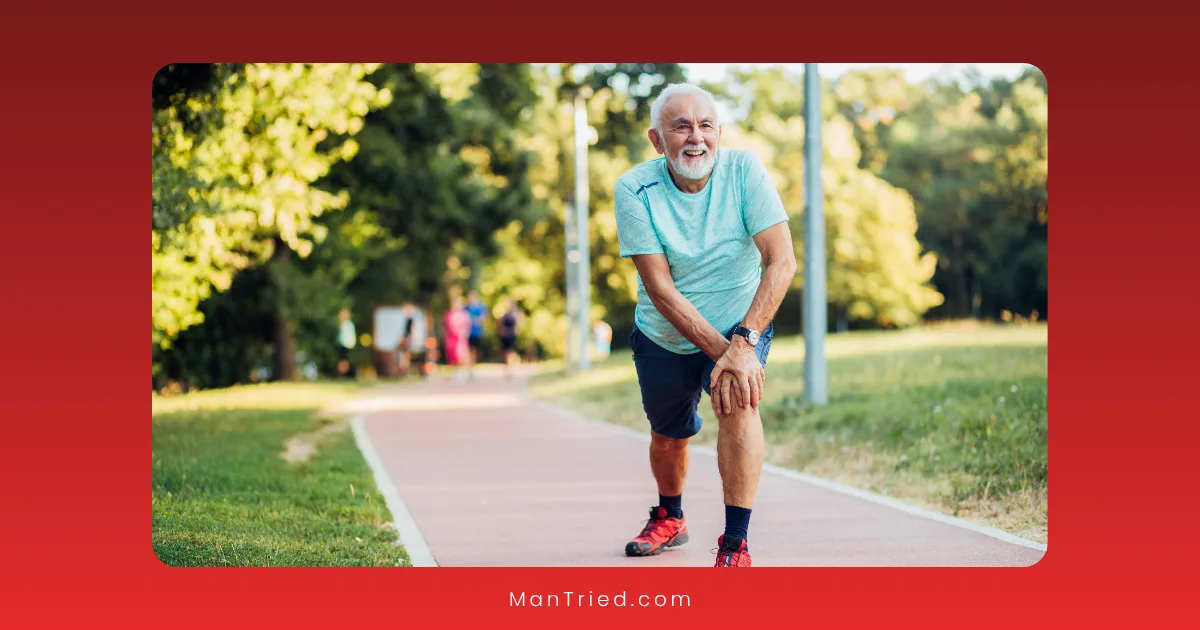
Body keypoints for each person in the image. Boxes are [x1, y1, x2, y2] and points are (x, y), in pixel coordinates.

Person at [613, 83, 796, 567]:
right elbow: (661, 289)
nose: (696, 138)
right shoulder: (634, 189)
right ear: (657, 140)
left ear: (719, 132)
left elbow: (781, 262)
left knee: (739, 404)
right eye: (681, 127)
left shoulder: (744, 172)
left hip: (742, 323)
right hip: (664, 333)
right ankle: (670, 515)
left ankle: (735, 543)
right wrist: (727, 352)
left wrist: (743, 345)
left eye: (706, 125)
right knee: (668, 436)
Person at [442, 296, 472, 381]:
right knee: (452, 356)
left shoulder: (464, 314)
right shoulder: (449, 314)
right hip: (451, 338)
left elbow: (467, 326)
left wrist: (465, 333)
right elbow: (446, 327)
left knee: (461, 355)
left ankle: (463, 373)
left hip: (460, 339)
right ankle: (455, 373)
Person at [496, 298, 523, 379]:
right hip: (505, 335)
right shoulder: (505, 314)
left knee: (511, 352)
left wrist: (517, 329)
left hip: (512, 335)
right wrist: (502, 330)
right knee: (505, 352)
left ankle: (512, 367)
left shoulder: (516, 313)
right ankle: (508, 367)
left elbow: (520, 323)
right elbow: (499, 323)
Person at [464, 291, 489, 366]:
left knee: (475, 349)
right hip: (468, 332)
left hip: (477, 332)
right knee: (469, 349)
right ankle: (470, 365)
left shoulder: (481, 307)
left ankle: (473, 364)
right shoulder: (466, 308)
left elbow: (484, 318)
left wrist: (475, 320)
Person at [337, 308, 357, 379]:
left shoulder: (347, 324)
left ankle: (345, 374)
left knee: (344, 361)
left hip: (346, 345)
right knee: (344, 360)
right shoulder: (346, 324)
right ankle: (345, 374)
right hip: (344, 345)